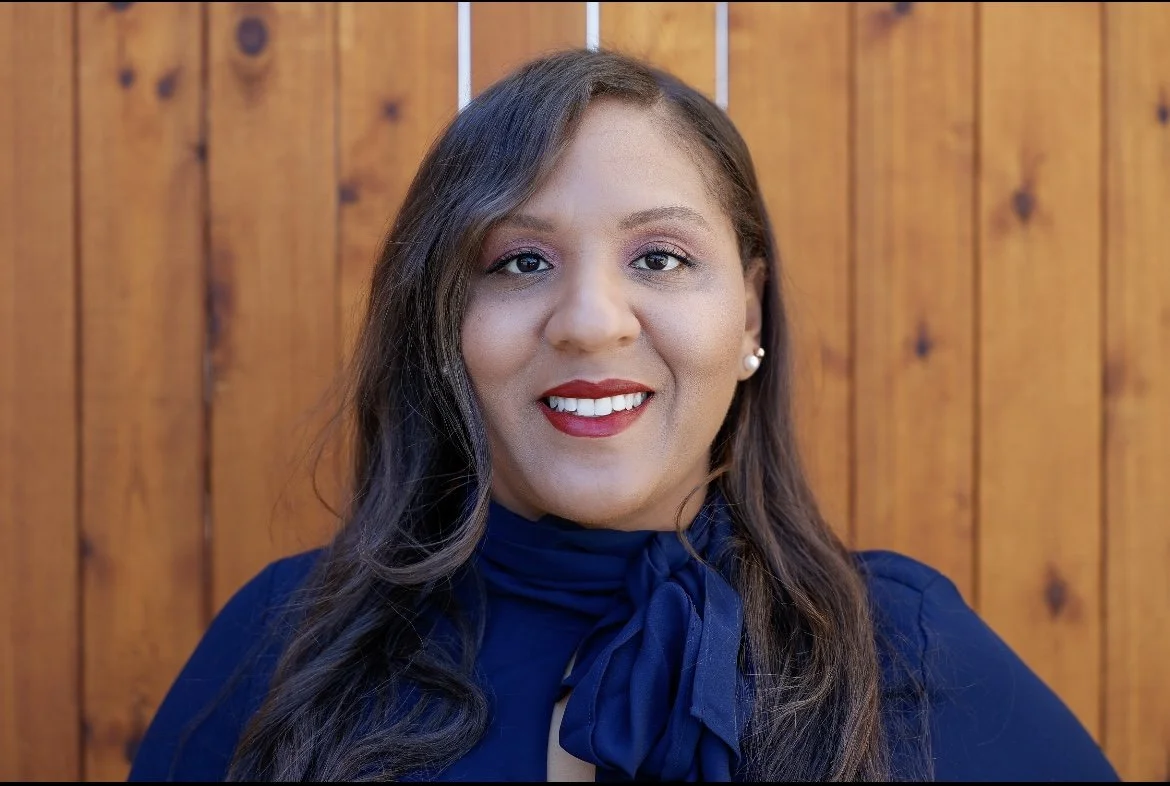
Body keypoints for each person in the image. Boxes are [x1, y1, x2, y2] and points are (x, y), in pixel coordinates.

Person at [128, 48, 1119, 782]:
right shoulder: (283, 648)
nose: (592, 322)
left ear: (748, 314)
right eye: (521, 261)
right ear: (442, 323)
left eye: (660, 258)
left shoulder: (901, 650)